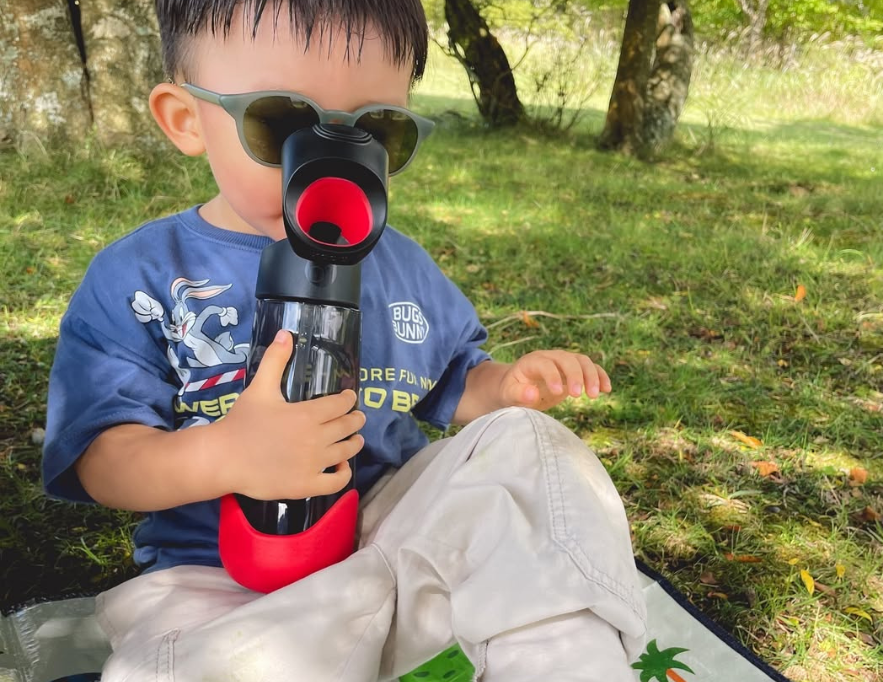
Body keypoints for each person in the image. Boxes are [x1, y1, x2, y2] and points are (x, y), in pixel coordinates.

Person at [42, 1, 646, 679]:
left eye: (373, 131)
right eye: (283, 123)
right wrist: (225, 454)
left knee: (527, 450)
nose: (329, 163)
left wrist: (506, 388)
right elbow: (103, 458)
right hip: (216, 588)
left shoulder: (403, 266)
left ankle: (555, 659)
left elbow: (453, 379)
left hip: (388, 546)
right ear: (187, 119)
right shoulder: (145, 276)